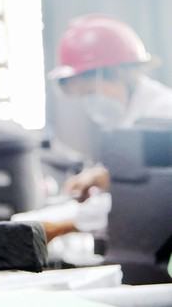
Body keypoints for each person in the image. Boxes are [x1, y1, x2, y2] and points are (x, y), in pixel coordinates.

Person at [50, 14, 172, 201]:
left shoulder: (162, 115)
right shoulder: (127, 117)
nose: (89, 103)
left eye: (90, 92)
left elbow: (150, 193)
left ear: (117, 73)